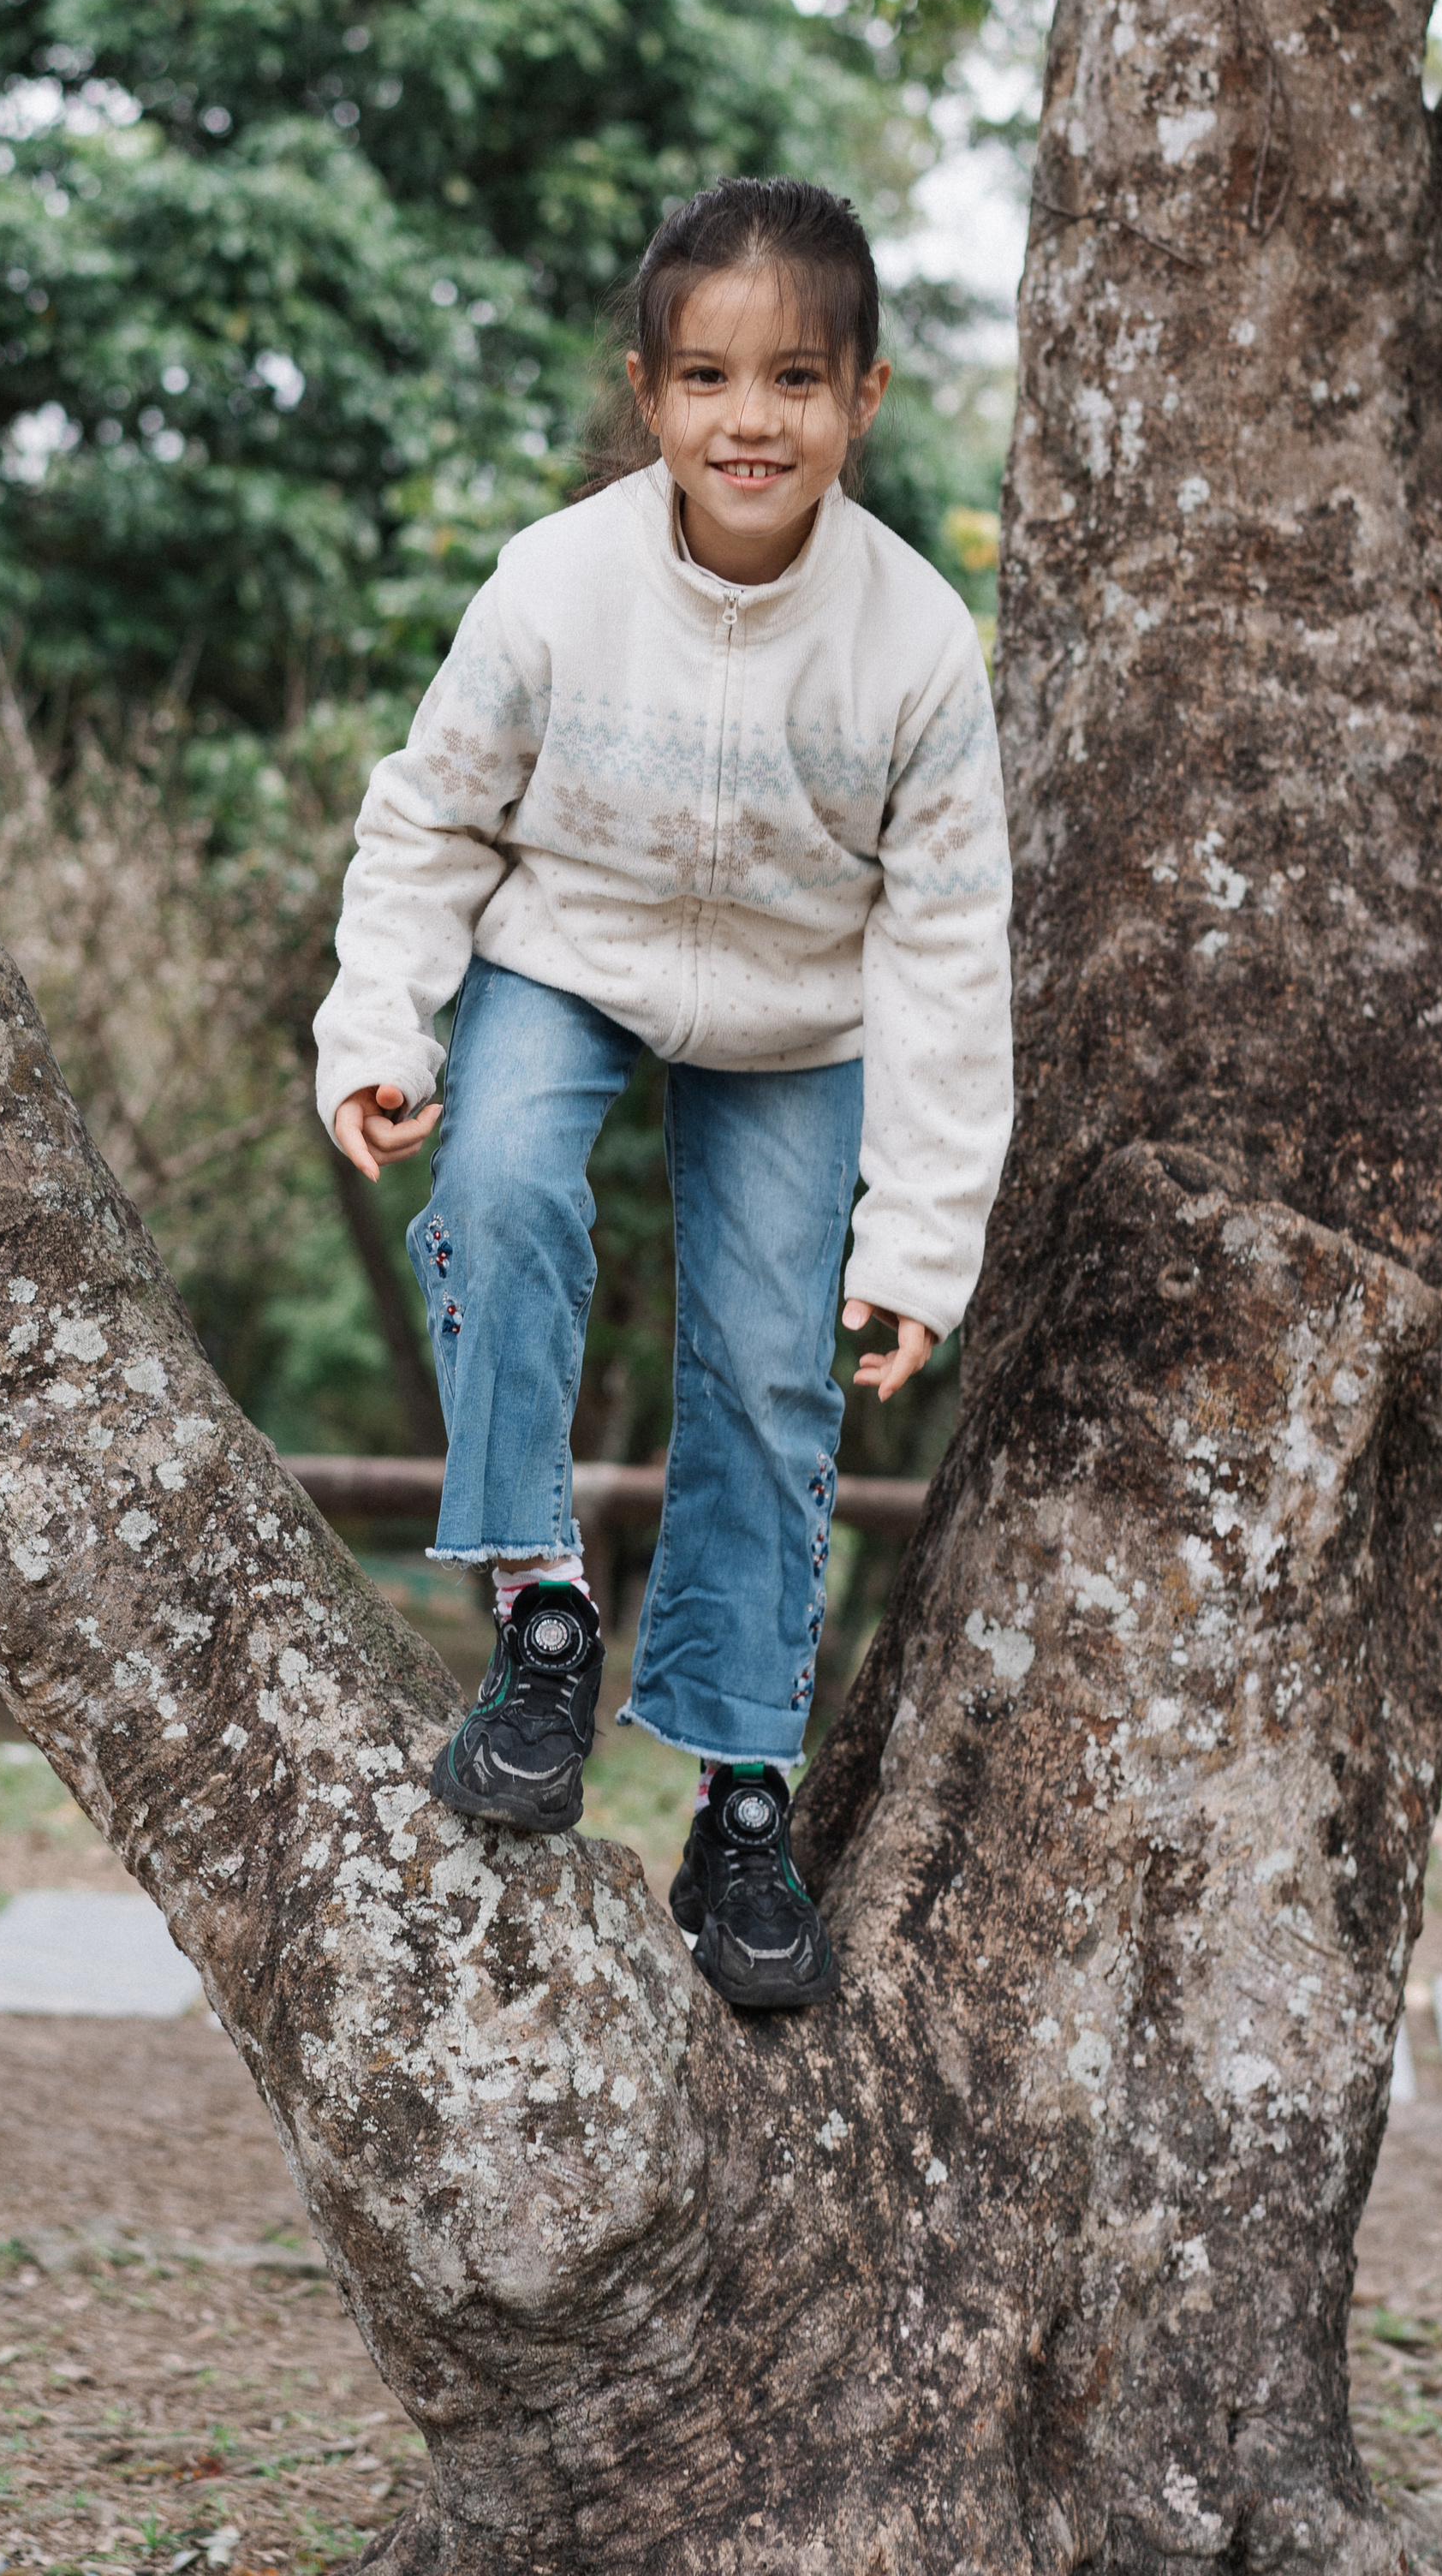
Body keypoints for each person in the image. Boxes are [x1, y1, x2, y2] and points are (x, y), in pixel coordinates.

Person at [314, 176, 1012, 2008]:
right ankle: (537, 1612)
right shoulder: (556, 581)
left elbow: (946, 952)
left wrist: (920, 1238)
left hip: (799, 1019)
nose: (748, 419)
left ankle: (738, 1799)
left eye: (793, 379)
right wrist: (380, 1030)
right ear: (648, 396)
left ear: (860, 398)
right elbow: (431, 812)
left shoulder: (917, 647)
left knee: (769, 1378)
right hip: (570, 946)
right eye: (706, 379)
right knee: (504, 1191)